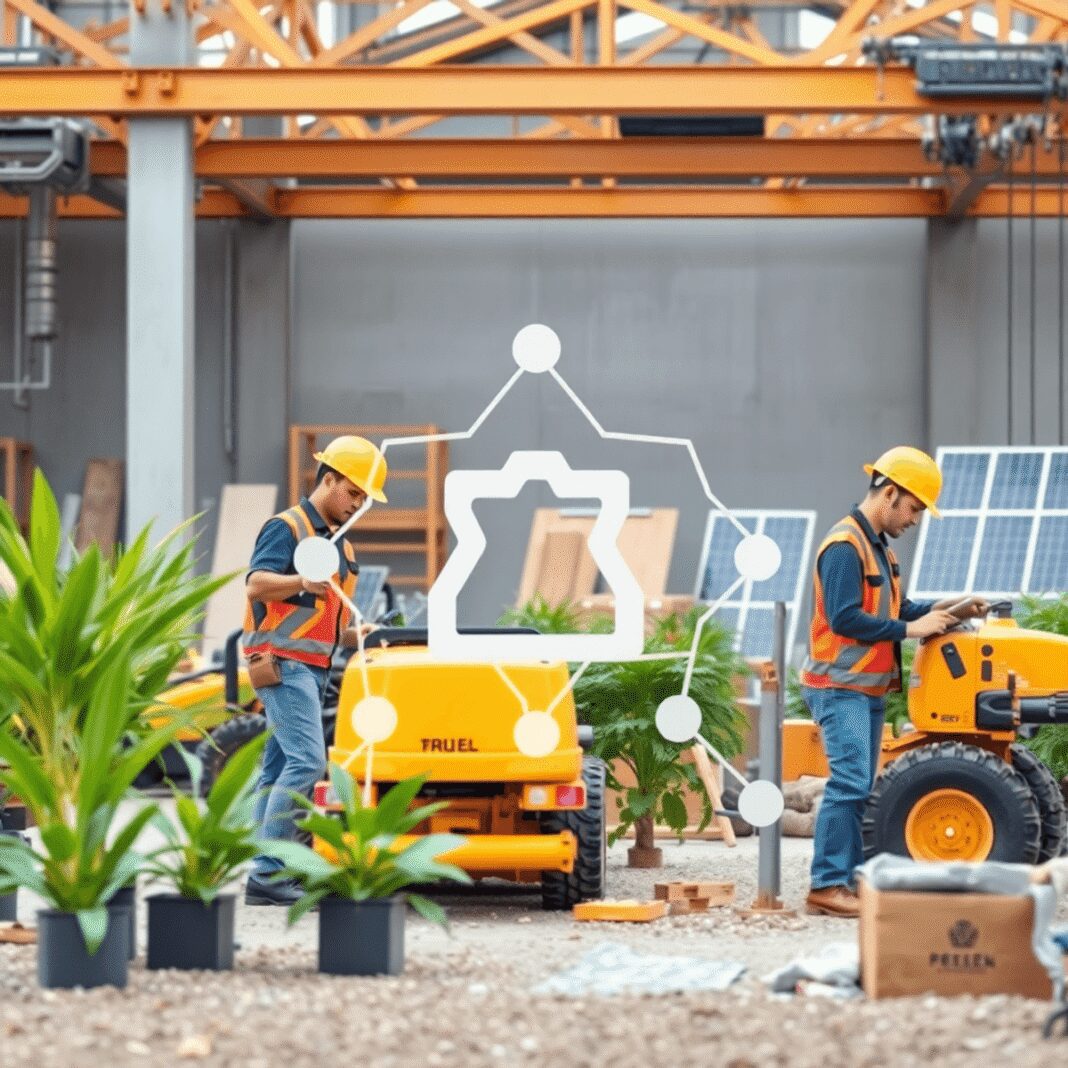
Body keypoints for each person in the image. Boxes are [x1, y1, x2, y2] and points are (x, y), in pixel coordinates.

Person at [800, 446, 989, 918]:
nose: (914, 520)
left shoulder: (879, 548)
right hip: (838, 685)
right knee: (848, 783)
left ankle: (849, 880)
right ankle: (826, 885)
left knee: (861, 785)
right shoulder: (845, 546)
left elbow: (895, 609)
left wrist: (950, 609)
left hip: (865, 687)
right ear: (889, 493)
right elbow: (845, 619)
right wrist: (910, 631)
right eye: (914, 508)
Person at [242, 435, 388, 906]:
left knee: (279, 768)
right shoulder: (288, 527)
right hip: (283, 665)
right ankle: (268, 872)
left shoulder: (340, 547)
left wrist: (357, 634)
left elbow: (326, 621)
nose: (357, 504)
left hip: (314, 666)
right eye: (353, 493)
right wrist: (300, 580)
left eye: (364, 499)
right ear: (329, 479)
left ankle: (264, 865)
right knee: (308, 761)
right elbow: (257, 584)